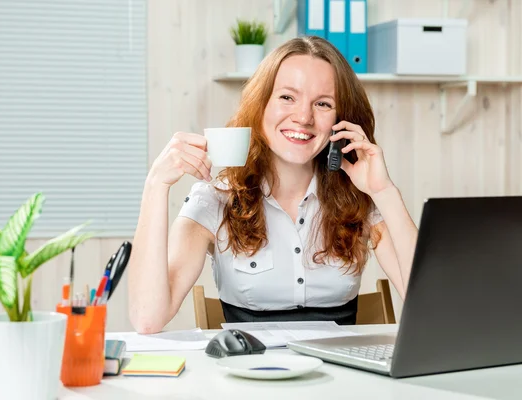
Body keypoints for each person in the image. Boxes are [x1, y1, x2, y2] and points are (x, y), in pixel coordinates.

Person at [128, 36, 418, 334]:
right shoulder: (215, 198)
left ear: (340, 120)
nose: (304, 117)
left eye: (322, 103)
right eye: (287, 97)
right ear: (261, 105)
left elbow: (427, 304)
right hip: (249, 375)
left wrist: (384, 192)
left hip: (341, 376)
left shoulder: (358, 197)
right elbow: (148, 318)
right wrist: (155, 186)